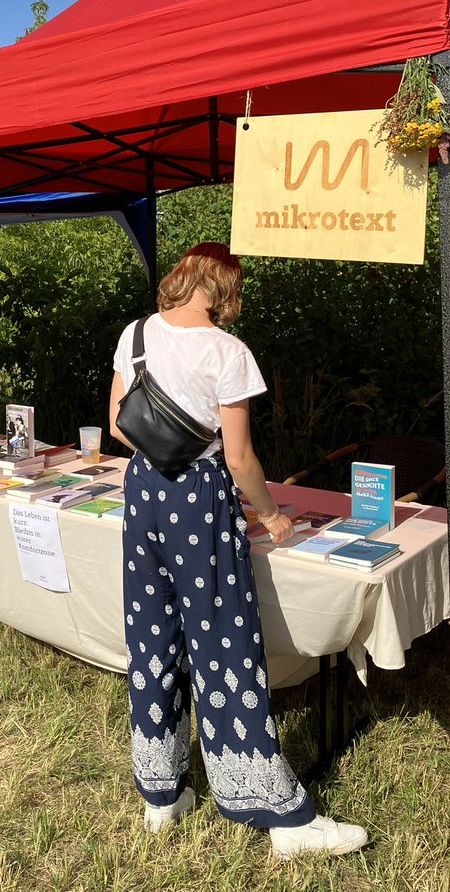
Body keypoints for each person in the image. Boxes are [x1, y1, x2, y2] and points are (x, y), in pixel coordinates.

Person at [108, 242, 367, 858]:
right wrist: (272, 514)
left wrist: (164, 447)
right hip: (198, 499)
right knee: (226, 646)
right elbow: (240, 458)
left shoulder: (136, 333)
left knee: (151, 641)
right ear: (223, 288)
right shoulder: (229, 352)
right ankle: (280, 817)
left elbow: (119, 423)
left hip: (143, 493)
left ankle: (161, 795)